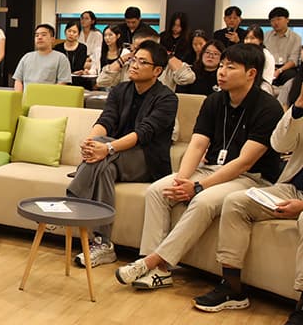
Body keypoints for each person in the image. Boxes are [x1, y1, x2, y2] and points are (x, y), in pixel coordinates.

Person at [115, 43, 284, 291]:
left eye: (230, 67)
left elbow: (245, 161)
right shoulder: (214, 101)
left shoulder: (268, 108)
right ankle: (156, 269)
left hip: (250, 177)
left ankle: (153, 262)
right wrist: (182, 180)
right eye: (222, 65)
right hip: (211, 169)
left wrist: (198, 187)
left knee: (203, 200)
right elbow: (197, 145)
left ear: (251, 73)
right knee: (158, 190)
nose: (221, 72)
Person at [190, 84, 303, 325]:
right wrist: (298, 108)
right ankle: (232, 287)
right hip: (291, 188)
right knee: (236, 202)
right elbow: (280, 144)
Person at [67, 40, 177, 267]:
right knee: (104, 168)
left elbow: (144, 133)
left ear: (157, 71)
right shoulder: (120, 90)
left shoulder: (167, 98)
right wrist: (91, 143)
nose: (134, 65)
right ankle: (104, 244)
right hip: (115, 157)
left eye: (142, 62)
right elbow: (106, 120)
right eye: (134, 59)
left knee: (104, 155)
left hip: (147, 161)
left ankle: (70, 202)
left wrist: (106, 148)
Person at [97, 29, 194, 91]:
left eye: (147, 49)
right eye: (138, 49)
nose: (141, 53)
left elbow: (188, 78)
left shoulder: (166, 67)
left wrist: (166, 56)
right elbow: (102, 81)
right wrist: (121, 60)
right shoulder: (128, 66)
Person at [12, 24, 72, 92]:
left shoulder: (61, 58)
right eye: (37, 35)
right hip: (27, 97)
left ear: (52, 39)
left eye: (43, 35)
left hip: (48, 97)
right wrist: (19, 96)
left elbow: (62, 83)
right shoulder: (27, 57)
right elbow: (18, 80)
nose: (39, 37)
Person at [266, 7, 302, 104]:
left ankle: (285, 103)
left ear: (287, 20)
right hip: (270, 66)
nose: (275, 23)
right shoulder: (266, 36)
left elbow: (294, 60)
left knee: (291, 75)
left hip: (286, 68)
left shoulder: (296, 38)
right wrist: (270, 68)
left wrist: (279, 70)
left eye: (279, 19)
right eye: (272, 20)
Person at [244, 25, 276, 95]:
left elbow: (267, 78)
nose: (249, 41)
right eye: (246, 38)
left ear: (260, 40)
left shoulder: (266, 55)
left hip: (261, 87)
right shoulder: (242, 54)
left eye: (252, 38)